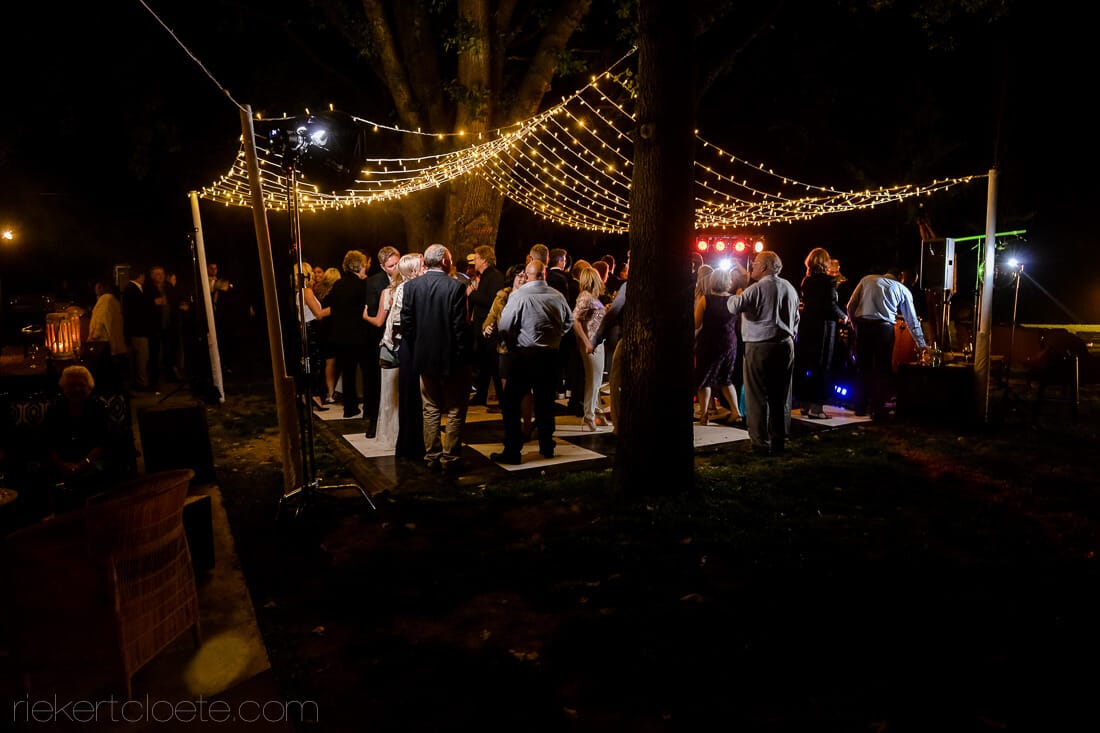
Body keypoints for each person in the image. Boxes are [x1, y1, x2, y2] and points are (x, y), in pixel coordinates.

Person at [400, 244, 473, 474]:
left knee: (430, 408)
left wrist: (417, 348)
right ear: (444, 261)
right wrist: (463, 356)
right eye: (450, 258)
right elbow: (459, 327)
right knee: (454, 409)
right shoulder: (456, 287)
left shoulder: (411, 287)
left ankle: (432, 455)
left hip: (424, 356)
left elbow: (407, 324)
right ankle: (450, 457)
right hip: (451, 357)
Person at [492, 260, 573, 464]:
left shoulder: (519, 295)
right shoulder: (557, 296)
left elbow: (504, 325)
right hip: (550, 355)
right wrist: (555, 337)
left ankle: (513, 449)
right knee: (545, 402)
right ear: (544, 275)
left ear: (528, 275)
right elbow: (568, 322)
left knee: (510, 402)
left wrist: (512, 344)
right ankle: (546, 444)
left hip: (525, 354)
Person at [726, 251, 800, 455]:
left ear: (765, 267)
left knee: (757, 394)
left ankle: (759, 442)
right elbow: (796, 318)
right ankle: (779, 439)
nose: (752, 267)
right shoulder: (789, 287)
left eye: (756, 263)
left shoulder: (756, 288)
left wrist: (735, 291)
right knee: (780, 394)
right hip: (785, 344)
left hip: (759, 345)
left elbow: (733, 307)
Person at [846, 267, 928, 419]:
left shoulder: (867, 279)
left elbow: (850, 306)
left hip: (863, 326)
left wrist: (854, 325)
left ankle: (860, 406)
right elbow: (912, 320)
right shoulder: (902, 289)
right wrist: (921, 344)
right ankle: (878, 408)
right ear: (901, 276)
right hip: (884, 329)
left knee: (863, 366)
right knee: (883, 368)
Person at [43, 366, 125, 511]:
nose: (76, 389)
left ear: (89, 388)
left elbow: (104, 442)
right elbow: (48, 443)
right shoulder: (54, 409)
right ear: (64, 388)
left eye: (81, 385)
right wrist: (62, 465)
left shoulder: (98, 408)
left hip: (92, 462)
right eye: (72, 385)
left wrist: (82, 464)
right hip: (61, 463)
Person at [373, 253, 422, 451]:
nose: (425, 269)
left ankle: (410, 440)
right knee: (407, 395)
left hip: (405, 346)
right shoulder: (405, 289)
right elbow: (397, 322)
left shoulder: (410, 287)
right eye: (422, 266)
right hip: (405, 347)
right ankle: (409, 443)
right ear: (413, 270)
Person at [483, 264, 535, 438]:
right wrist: (487, 327)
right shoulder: (502, 296)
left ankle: (527, 426)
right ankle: (511, 428)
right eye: (518, 276)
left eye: (524, 276)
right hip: (505, 348)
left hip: (523, 348)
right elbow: (491, 316)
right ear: (512, 278)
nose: (522, 279)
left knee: (525, 390)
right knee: (506, 391)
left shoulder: (530, 296)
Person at [795, 247, 849, 419]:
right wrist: (844, 317)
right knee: (822, 367)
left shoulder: (806, 280)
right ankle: (817, 408)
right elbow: (830, 306)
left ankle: (804, 404)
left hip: (807, 325)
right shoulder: (829, 281)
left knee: (806, 366)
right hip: (824, 329)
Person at [695, 266, 745, 427]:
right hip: (730, 343)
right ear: (727, 282)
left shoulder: (706, 299)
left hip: (709, 342)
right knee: (726, 378)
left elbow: (696, 323)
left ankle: (704, 415)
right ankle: (736, 411)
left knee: (704, 379)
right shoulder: (735, 300)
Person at [362, 245, 401, 437]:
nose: (396, 267)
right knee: (379, 384)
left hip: (403, 340)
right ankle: (374, 422)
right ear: (383, 267)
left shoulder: (408, 277)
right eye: (392, 265)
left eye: (398, 262)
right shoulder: (374, 283)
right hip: (381, 339)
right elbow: (372, 313)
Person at [328, 250, 371, 419]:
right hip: (360, 335)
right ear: (360, 265)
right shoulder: (363, 286)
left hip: (342, 335)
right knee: (367, 372)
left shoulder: (338, 284)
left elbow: (334, 308)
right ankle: (369, 408)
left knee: (348, 372)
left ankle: (349, 407)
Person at [467, 245, 507, 407]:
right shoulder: (484, 277)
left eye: (476, 258)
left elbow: (493, 302)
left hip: (490, 329)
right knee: (484, 364)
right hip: (482, 328)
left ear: (484, 259)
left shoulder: (495, 277)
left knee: (493, 365)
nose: (474, 261)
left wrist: (472, 294)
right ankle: (481, 395)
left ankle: (502, 398)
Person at [572, 266, 609, 431]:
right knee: (594, 381)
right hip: (592, 344)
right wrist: (587, 342)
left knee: (596, 380)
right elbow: (575, 320)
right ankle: (589, 416)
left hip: (595, 343)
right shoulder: (586, 297)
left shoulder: (588, 297)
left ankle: (595, 412)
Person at [86, 279, 127, 391]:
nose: (95, 289)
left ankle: (106, 389)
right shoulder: (113, 299)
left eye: (97, 287)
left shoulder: (105, 299)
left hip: (103, 339)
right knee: (111, 366)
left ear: (101, 288)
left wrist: (95, 335)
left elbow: (101, 318)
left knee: (104, 366)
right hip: (111, 338)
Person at [121, 265, 155, 392]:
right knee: (142, 358)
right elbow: (137, 310)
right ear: (140, 276)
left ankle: (138, 383)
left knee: (139, 359)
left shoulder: (129, 289)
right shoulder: (132, 290)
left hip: (134, 330)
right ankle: (142, 383)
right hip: (138, 330)